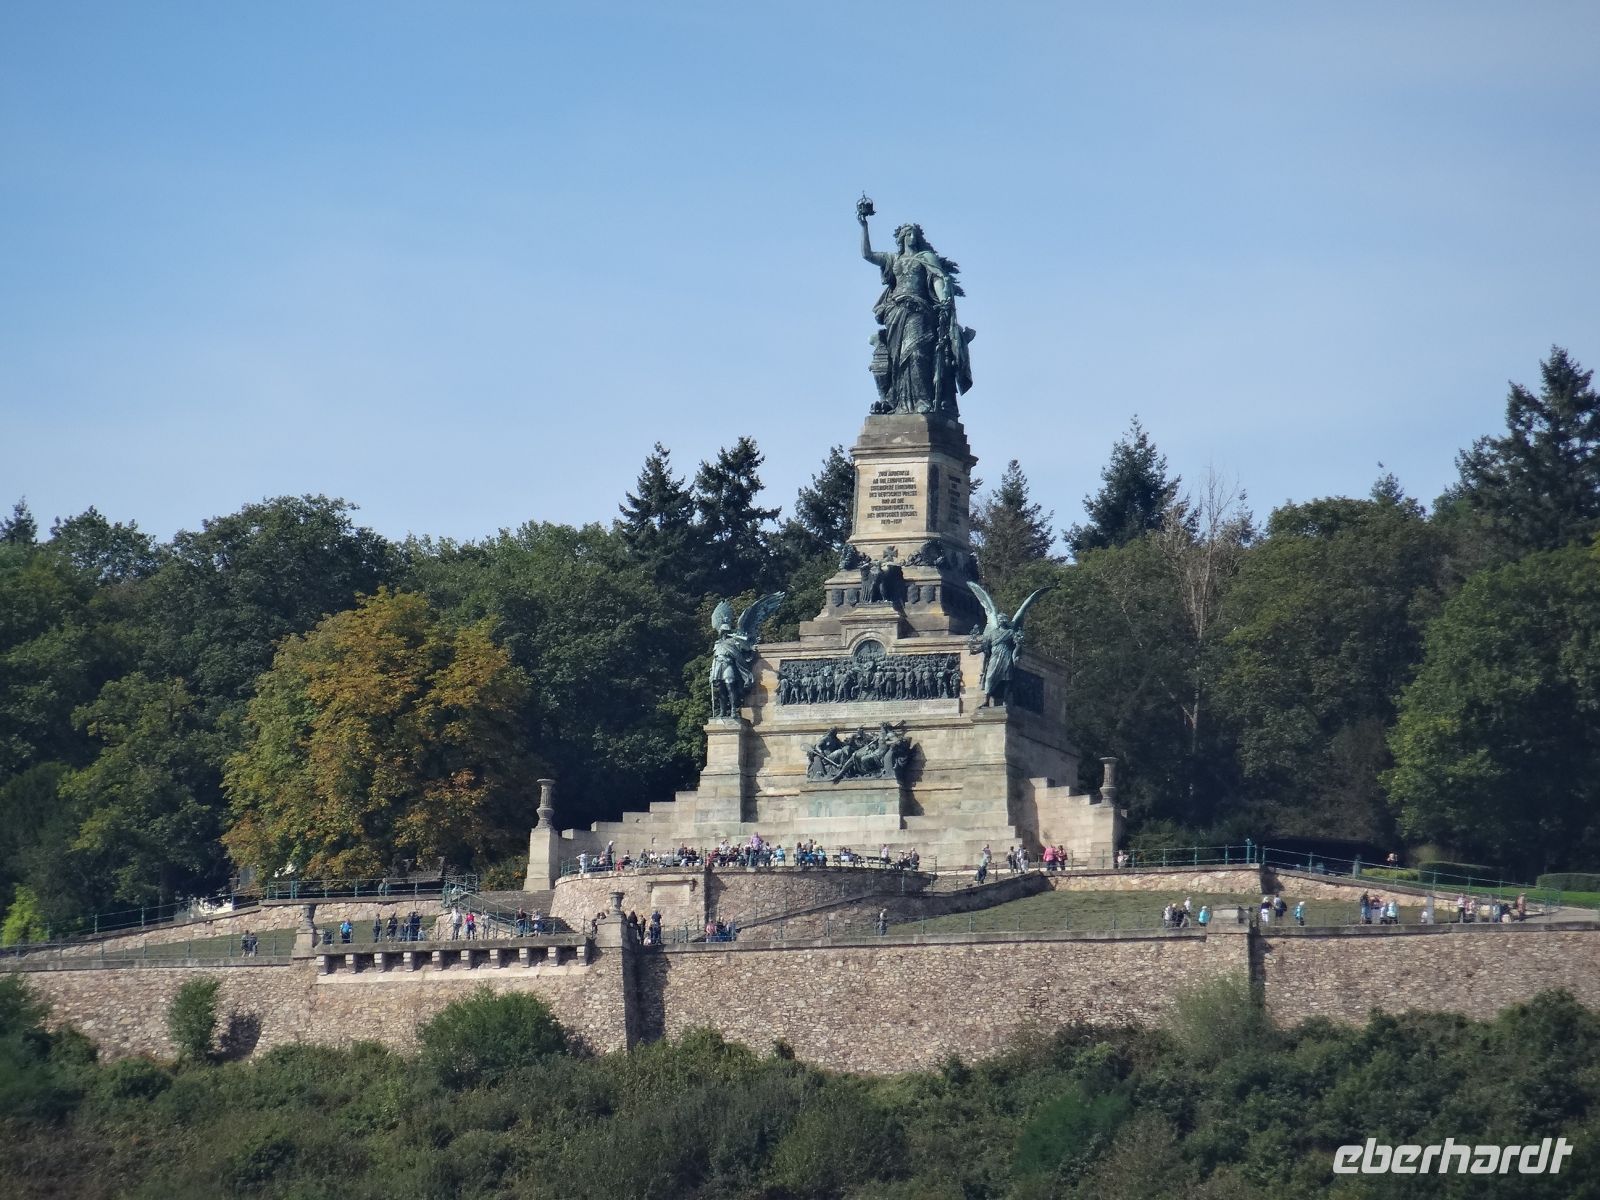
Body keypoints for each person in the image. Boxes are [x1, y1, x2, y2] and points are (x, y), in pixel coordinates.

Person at [858, 203, 974, 416]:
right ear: (901, 238)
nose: (911, 236)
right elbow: (867, 255)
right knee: (896, 358)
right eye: (907, 233)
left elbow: (939, 279)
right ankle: (897, 402)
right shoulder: (893, 259)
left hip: (919, 310)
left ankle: (922, 401)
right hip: (895, 312)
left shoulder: (926, 258)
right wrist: (864, 225)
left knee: (916, 353)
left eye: (913, 233)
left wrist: (944, 300)